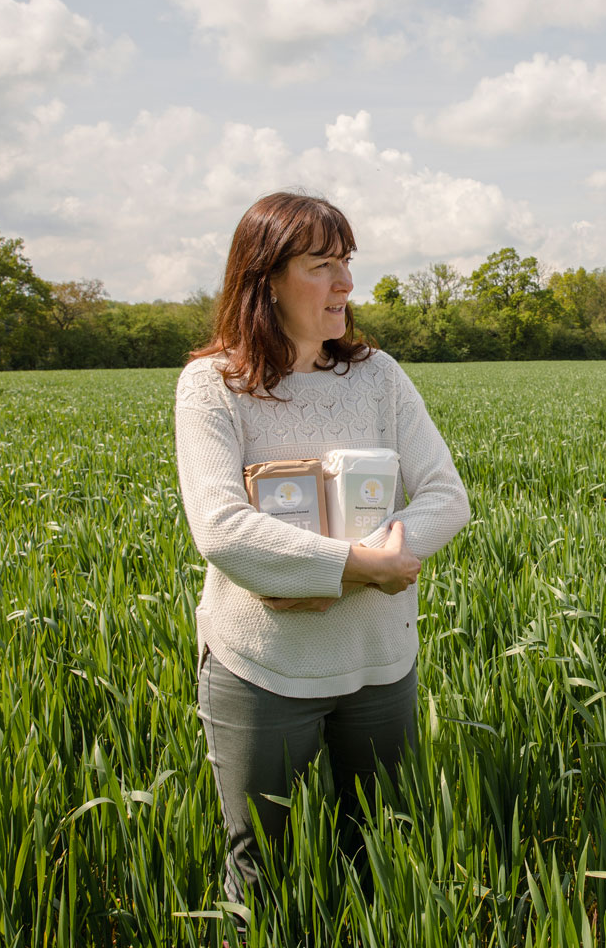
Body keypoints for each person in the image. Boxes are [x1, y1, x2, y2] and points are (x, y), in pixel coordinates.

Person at [173, 191, 470, 915]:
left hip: (378, 664)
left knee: (379, 852)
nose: (345, 284)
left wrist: (382, 556)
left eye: (346, 264)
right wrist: (361, 567)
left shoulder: (378, 376)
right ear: (265, 278)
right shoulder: (213, 388)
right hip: (262, 669)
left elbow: (445, 496)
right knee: (260, 872)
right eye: (322, 265)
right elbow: (221, 528)